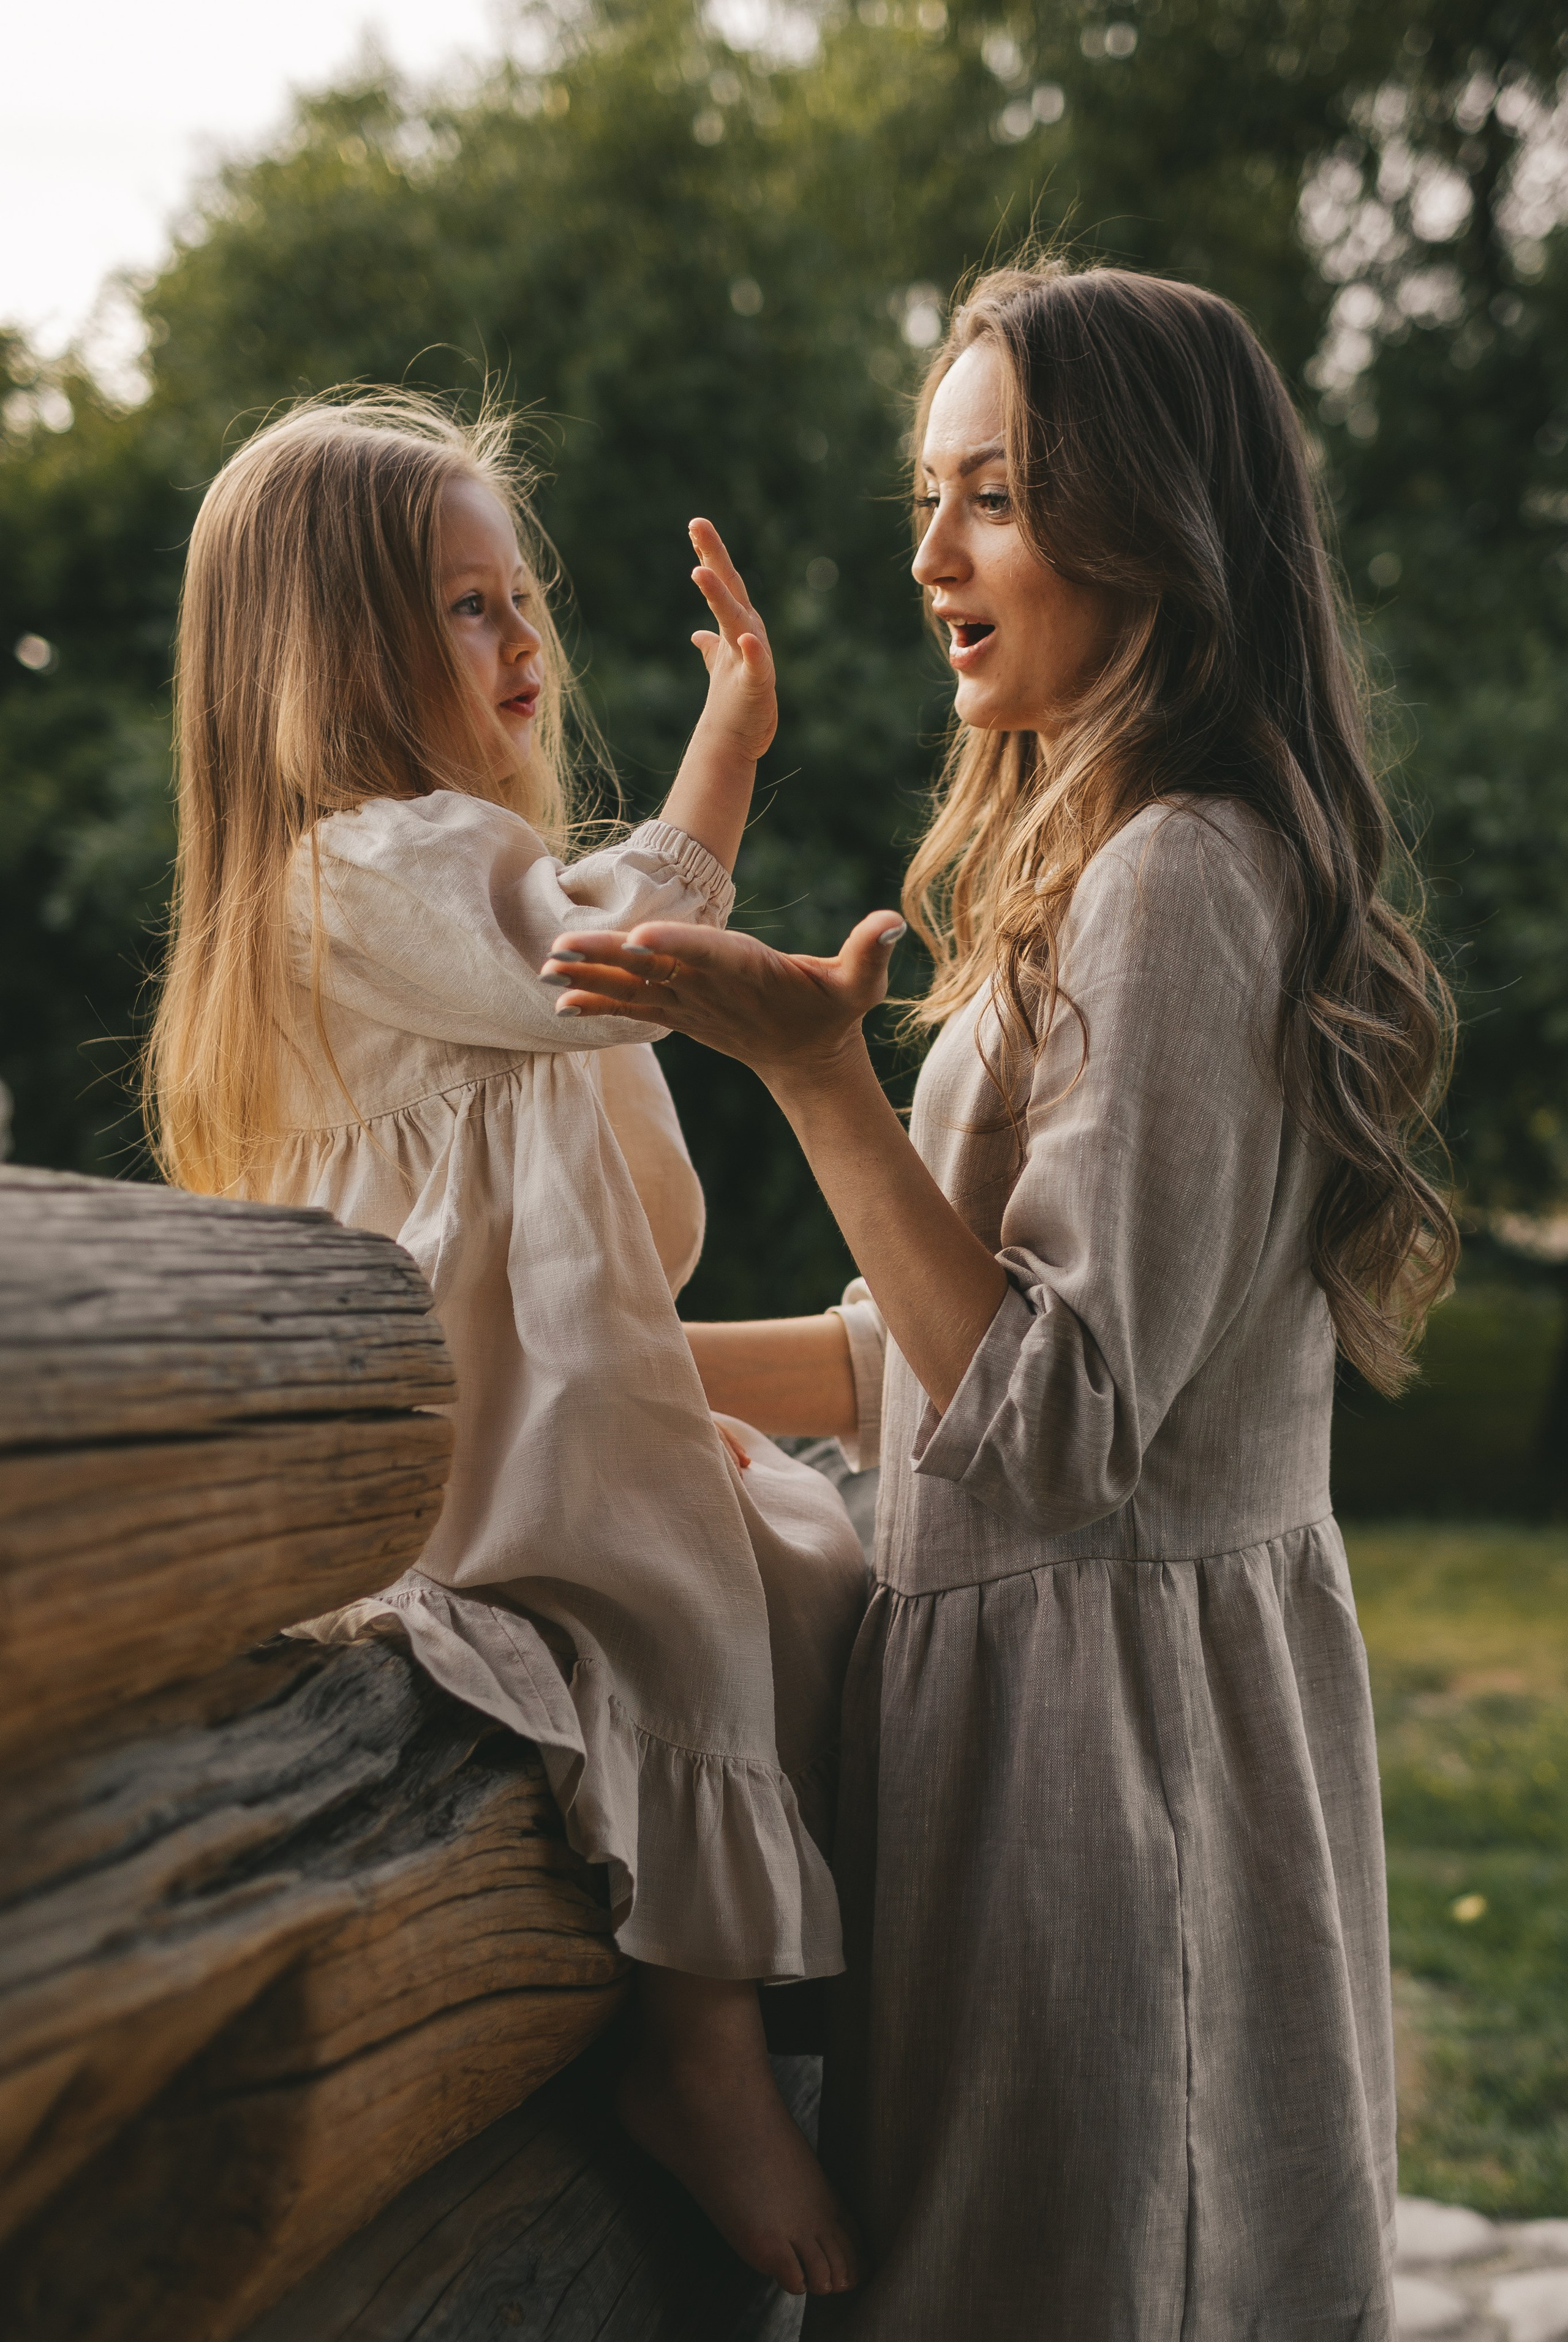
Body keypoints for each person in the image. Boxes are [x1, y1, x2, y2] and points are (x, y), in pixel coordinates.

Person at [545, 259, 1459, 2338]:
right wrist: (568, 1362)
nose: (935, 557)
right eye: (926, 498)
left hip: (1111, 1771)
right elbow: (917, 1359)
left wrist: (810, 1073)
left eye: (996, 498)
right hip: (1055, 1732)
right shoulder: (1117, 858)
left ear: (1150, 523)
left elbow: (1042, 1431)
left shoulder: (1183, 881)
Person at [143, 392, 867, 2299]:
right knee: (700, 1602)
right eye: (467, 609)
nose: (525, 639)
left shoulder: (429, 877)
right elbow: (601, 963)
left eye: (516, 593)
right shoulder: (366, 867)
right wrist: (724, 760)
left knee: (809, 1553)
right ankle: (699, 2055)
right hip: (456, 1452)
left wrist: (656, 1404)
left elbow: (620, 1209)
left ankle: (777, 2017)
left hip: (533, 1410)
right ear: (332, 657)